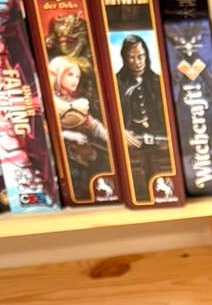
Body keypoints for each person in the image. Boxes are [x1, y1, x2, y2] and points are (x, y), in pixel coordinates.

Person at [114, 34, 169, 201]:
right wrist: (121, 131)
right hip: (132, 144)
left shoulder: (158, 81)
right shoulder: (116, 83)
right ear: (124, 57)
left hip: (159, 142)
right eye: (131, 57)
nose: (137, 62)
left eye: (140, 56)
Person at [47, 56, 111, 199]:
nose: (75, 80)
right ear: (58, 74)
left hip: (84, 154)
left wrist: (111, 137)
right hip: (61, 157)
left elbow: (92, 125)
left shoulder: (78, 102)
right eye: (70, 75)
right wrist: (67, 135)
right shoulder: (48, 100)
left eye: (77, 76)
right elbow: (43, 130)